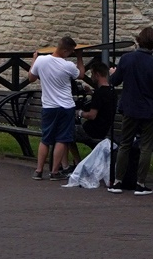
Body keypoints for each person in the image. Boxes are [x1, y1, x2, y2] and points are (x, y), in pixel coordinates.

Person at [109, 26, 153, 195]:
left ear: (139, 40)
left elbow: (114, 80)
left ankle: (118, 180)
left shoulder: (127, 59)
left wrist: (113, 72)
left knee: (125, 144)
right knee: (146, 146)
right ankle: (140, 183)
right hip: (149, 110)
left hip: (129, 107)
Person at [29, 36, 82, 180]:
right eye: (70, 52)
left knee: (45, 139)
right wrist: (79, 58)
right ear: (65, 50)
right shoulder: (68, 65)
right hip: (66, 106)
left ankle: (39, 170)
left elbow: (31, 78)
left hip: (49, 106)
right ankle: (54, 172)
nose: (70, 55)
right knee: (62, 139)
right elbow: (81, 74)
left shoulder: (41, 61)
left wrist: (34, 60)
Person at [77, 57, 118, 151]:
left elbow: (92, 115)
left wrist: (79, 113)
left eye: (92, 74)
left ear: (97, 74)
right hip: (105, 129)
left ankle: (75, 162)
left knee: (65, 133)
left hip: (93, 131)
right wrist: (92, 93)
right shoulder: (112, 91)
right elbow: (104, 101)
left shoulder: (99, 93)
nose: (91, 77)